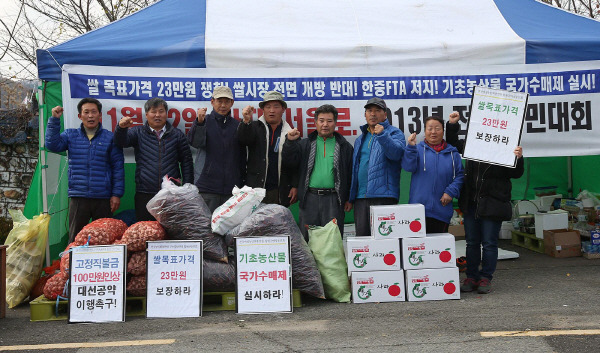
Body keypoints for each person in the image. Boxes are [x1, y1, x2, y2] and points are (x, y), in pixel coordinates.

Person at [446, 111, 524, 294]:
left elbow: (516, 173)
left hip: (493, 203)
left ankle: (485, 278)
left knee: (489, 243)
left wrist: (519, 158)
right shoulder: (473, 146)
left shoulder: (506, 149)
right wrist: (452, 124)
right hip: (472, 203)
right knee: (472, 242)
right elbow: (453, 142)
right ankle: (471, 276)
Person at [45, 98, 124, 243]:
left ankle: (102, 265)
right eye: (86, 112)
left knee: (104, 238)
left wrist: (116, 194)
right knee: (76, 238)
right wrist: (55, 120)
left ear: (100, 115)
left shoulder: (110, 138)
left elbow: (118, 167)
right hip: (78, 196)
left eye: (94, 112)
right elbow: (52, 145)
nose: (90, 116)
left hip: (103, 197)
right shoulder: (70, 135)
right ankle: (71, 264)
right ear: (79, 116)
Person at [114, 97, 194, 222]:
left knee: (170, 230)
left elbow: (186, 162)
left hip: (171, 193)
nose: (157, 115)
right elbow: (120, 142)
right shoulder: (137, 132)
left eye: (161, 111)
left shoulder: (177, 135)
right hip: (144, 192)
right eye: (153, 111)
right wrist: (121, 128)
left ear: (166, 114)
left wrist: (187, 188)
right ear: (146, 114)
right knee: (146, 230)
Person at [282, 104, 353, 240]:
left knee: (333, 239)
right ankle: (308, 263)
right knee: (308, 239)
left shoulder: (344, 147)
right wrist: (290, 143)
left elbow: (350, 173)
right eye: (321, 121)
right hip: (310, 198)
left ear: (335, 123)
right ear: (315, 122)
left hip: (334, 199)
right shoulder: (305, 144)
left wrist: (349, 197)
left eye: (329, 121)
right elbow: (290, 163)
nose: (325, 124)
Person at [348, 97, 406, 237]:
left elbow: (396, 154)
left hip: (383, 196)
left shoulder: (394, 133)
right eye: (369, 110)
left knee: (385, 241)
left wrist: (382, 135)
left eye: (377, 110)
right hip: (361, 197)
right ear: (365, 114)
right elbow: (355, 169)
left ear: (385, 114)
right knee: (363, 240)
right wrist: (351, 197)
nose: (372, 114)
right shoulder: (360, 138)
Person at [187, 86, 246, 212]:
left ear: (232, 103)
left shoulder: (237, 125)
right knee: (206, 228)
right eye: (219, 101)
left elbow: (242, 156)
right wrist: (200, 123)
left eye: (226, 101)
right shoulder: (204, 121)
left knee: (228, 229)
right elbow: (195, 143)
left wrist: (240, 183)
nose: (223, 105)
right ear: (212, 101)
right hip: (206, 187)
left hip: (232, 190)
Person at [402, 116, 464, 233]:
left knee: (437, 249)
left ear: (443, 131)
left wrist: (451, 191)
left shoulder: (452, 152)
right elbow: (408, 167)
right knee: (418, 248)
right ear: (425, 131)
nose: (433, 132)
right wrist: (410, 147)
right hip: (418, 211)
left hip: (441, 211)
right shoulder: (418, 149)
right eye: (430, 128)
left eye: (437, 128)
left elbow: (460, 175)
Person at [237, 91, 298, 206]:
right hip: (255, 189)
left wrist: (295, 185)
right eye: (268, 106)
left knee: (278, 222)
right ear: (262, 109)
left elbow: (295, 162)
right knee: (254, 223)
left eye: (276, 106)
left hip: (280, 190)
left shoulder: (290, 132)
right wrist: (246, 121)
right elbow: (243, 140)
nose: (272, 110)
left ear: (283, 109)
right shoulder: (254, 127)